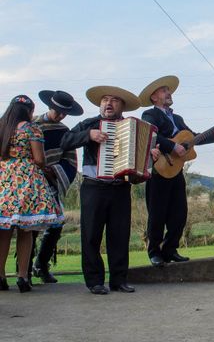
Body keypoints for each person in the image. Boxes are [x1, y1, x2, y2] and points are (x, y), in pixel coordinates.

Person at [61, 86, 141, 295]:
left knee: (120, 235)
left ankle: (119, 280)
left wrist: (151, 153)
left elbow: (141, 156)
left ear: (122, 105)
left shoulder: (132, 127)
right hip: (94, 186)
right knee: (91, 235)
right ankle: (95, 281)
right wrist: (89, 135)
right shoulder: (89, 124)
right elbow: (65, 141)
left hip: (121, 187)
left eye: (114, 100)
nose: (108, 103)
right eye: (105, 100)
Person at [139, 75, 214, 267]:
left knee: (179, 213)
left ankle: (170, 250)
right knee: (157, 213)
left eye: (168, 90)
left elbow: (191, 137)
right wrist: (171, 146)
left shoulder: (177, 118)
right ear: (154, 97)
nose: (168, 93)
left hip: (176, 171)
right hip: (159, 169)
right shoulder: (150, 115)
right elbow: (150, 134)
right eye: (164, 91)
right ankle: (154, 252)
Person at [0, 95, 63, 292]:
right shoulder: (32, 129)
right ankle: (22, 277)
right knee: (26, 231)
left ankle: (0, 276)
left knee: (4, 231)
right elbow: (39, 159)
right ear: (28, 111)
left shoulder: (2, 128)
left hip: (4, 180)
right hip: (27, 182)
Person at [29, 90, 83, 284]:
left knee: (56, 225)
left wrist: (54, 172)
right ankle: (25, 269)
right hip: (29, 183)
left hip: (51, 182)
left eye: (64, 113)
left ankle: (41, 264)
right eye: (58, 111)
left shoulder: (64, 131)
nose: (60, 116)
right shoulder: (32, 125)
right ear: (50, 107)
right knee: (29, 226)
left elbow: (70, 161)